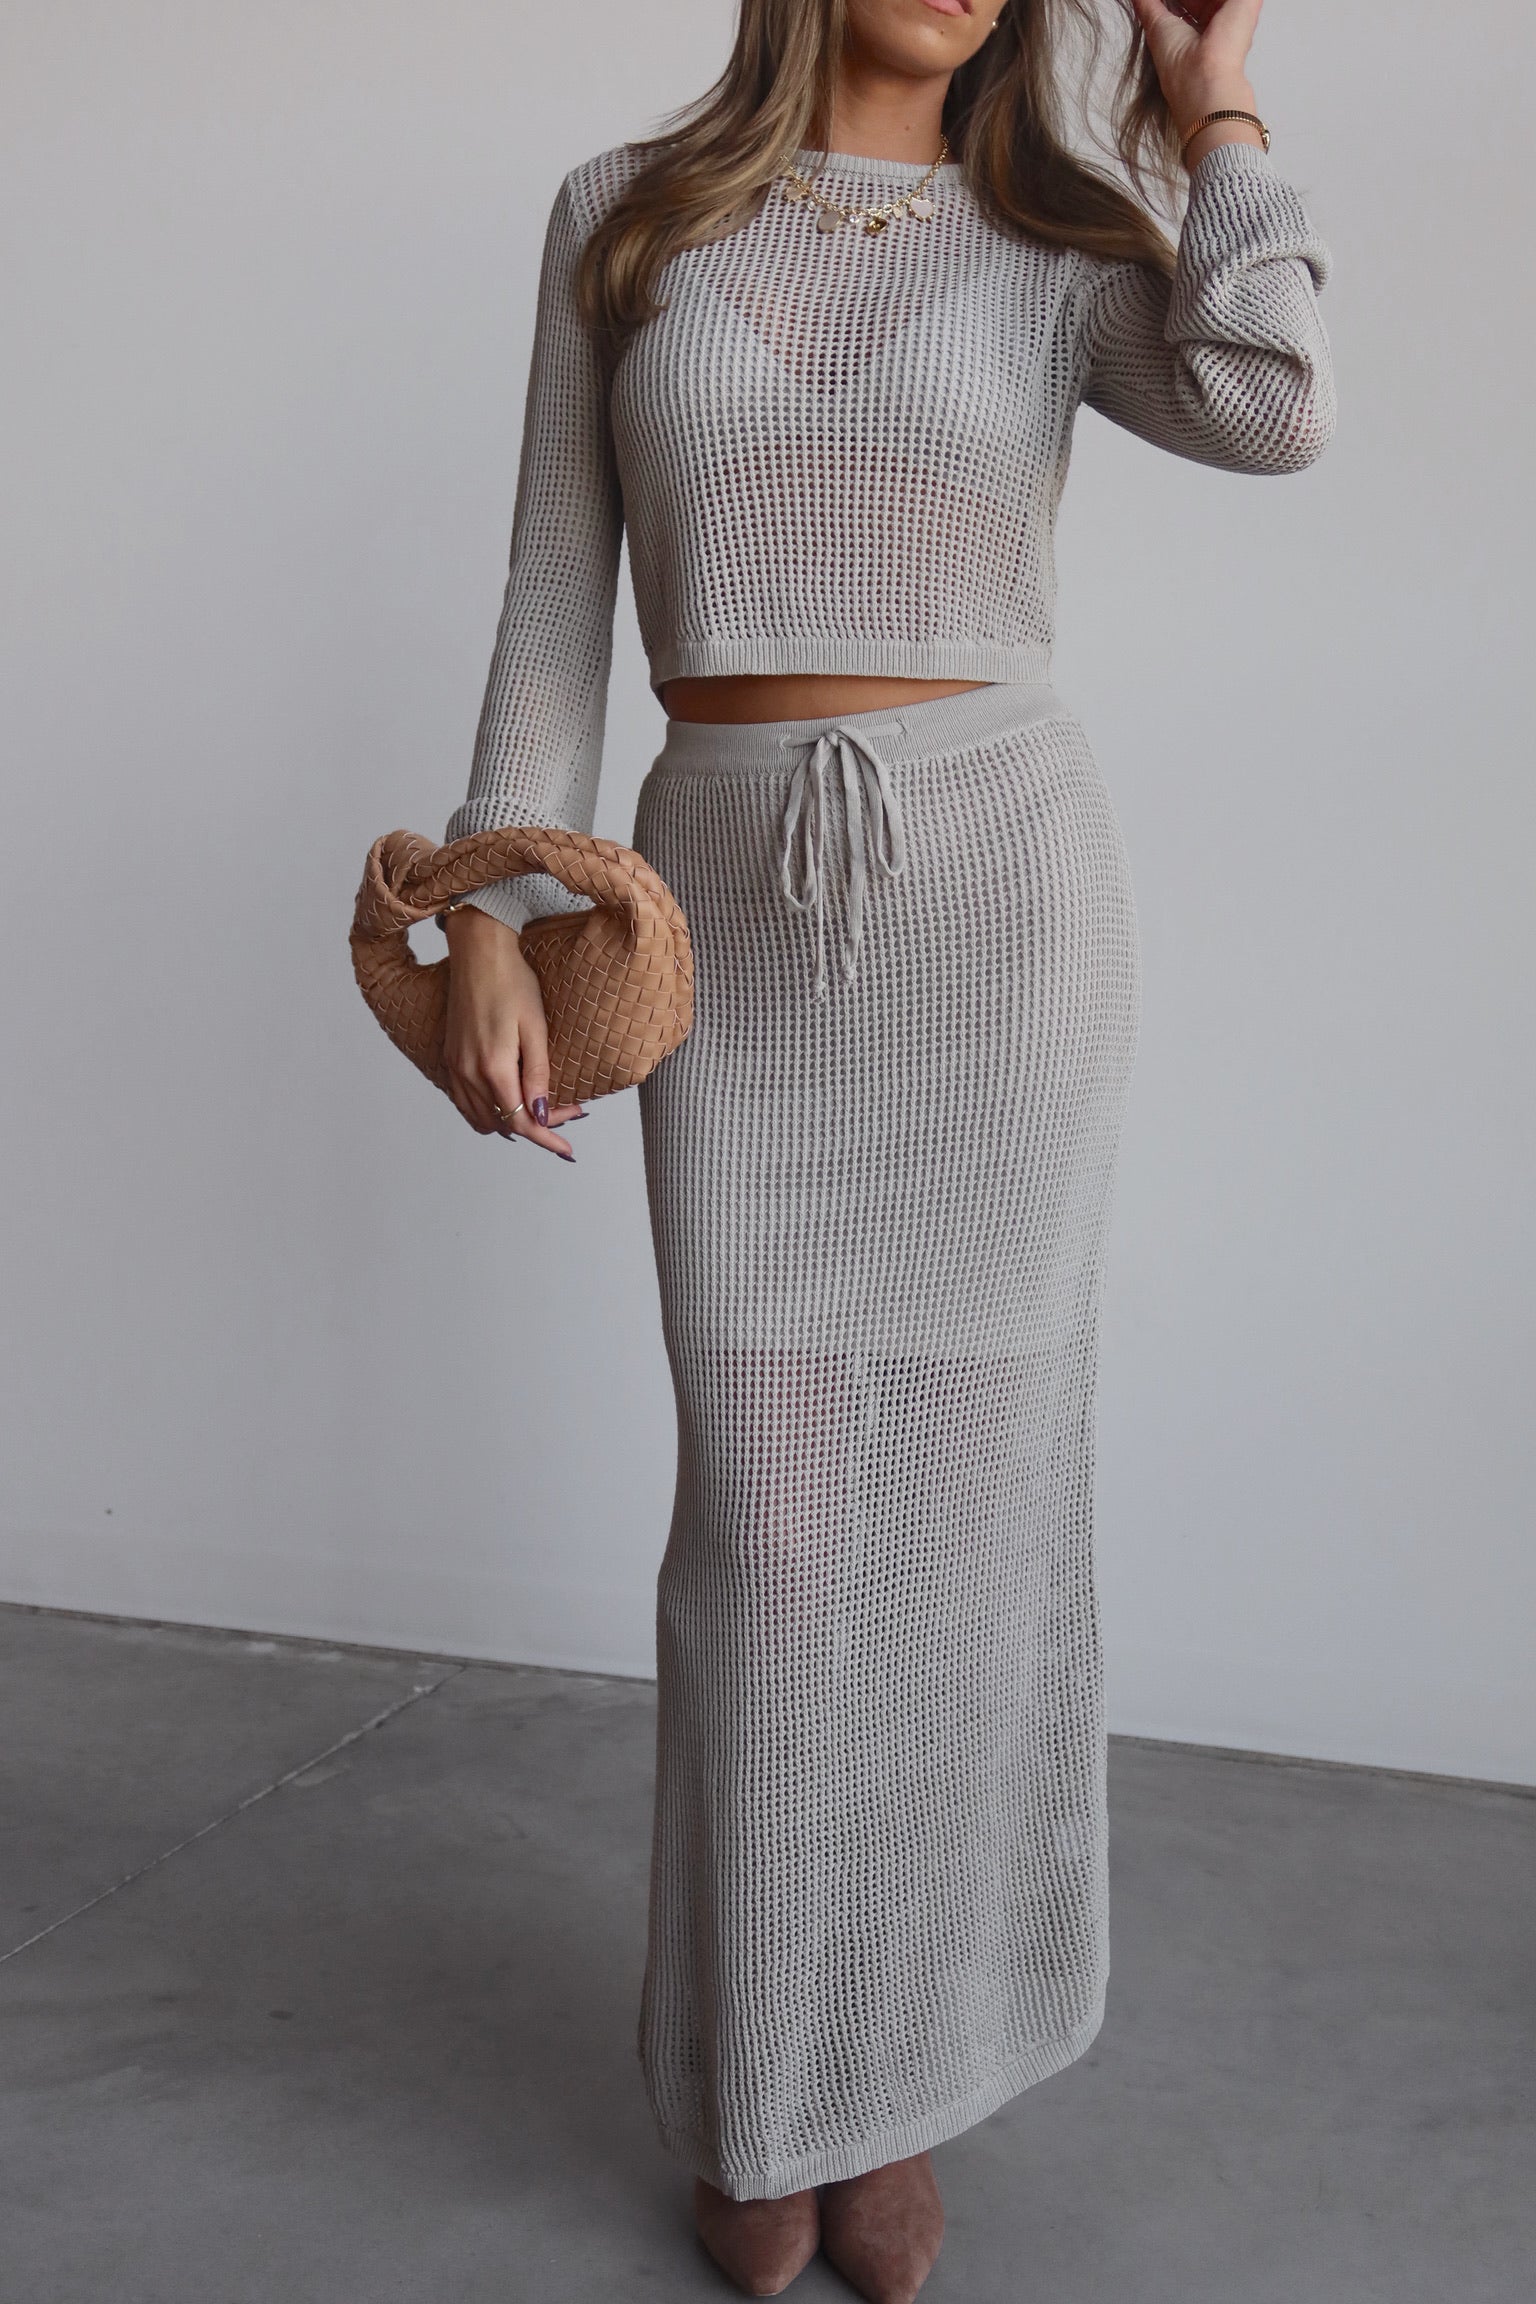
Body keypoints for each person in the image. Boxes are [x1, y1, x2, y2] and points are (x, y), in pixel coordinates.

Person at [437, 0, 1335, 2293]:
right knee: (772, 1532)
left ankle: (902, 2080)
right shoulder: (626, 220)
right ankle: (770, 2077)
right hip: (721, 913)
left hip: (999, 912)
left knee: (962, 1516)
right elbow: (552, 600)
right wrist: (496, 911)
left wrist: (1215, 97)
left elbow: (1270, 402)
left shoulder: (1059, 241)